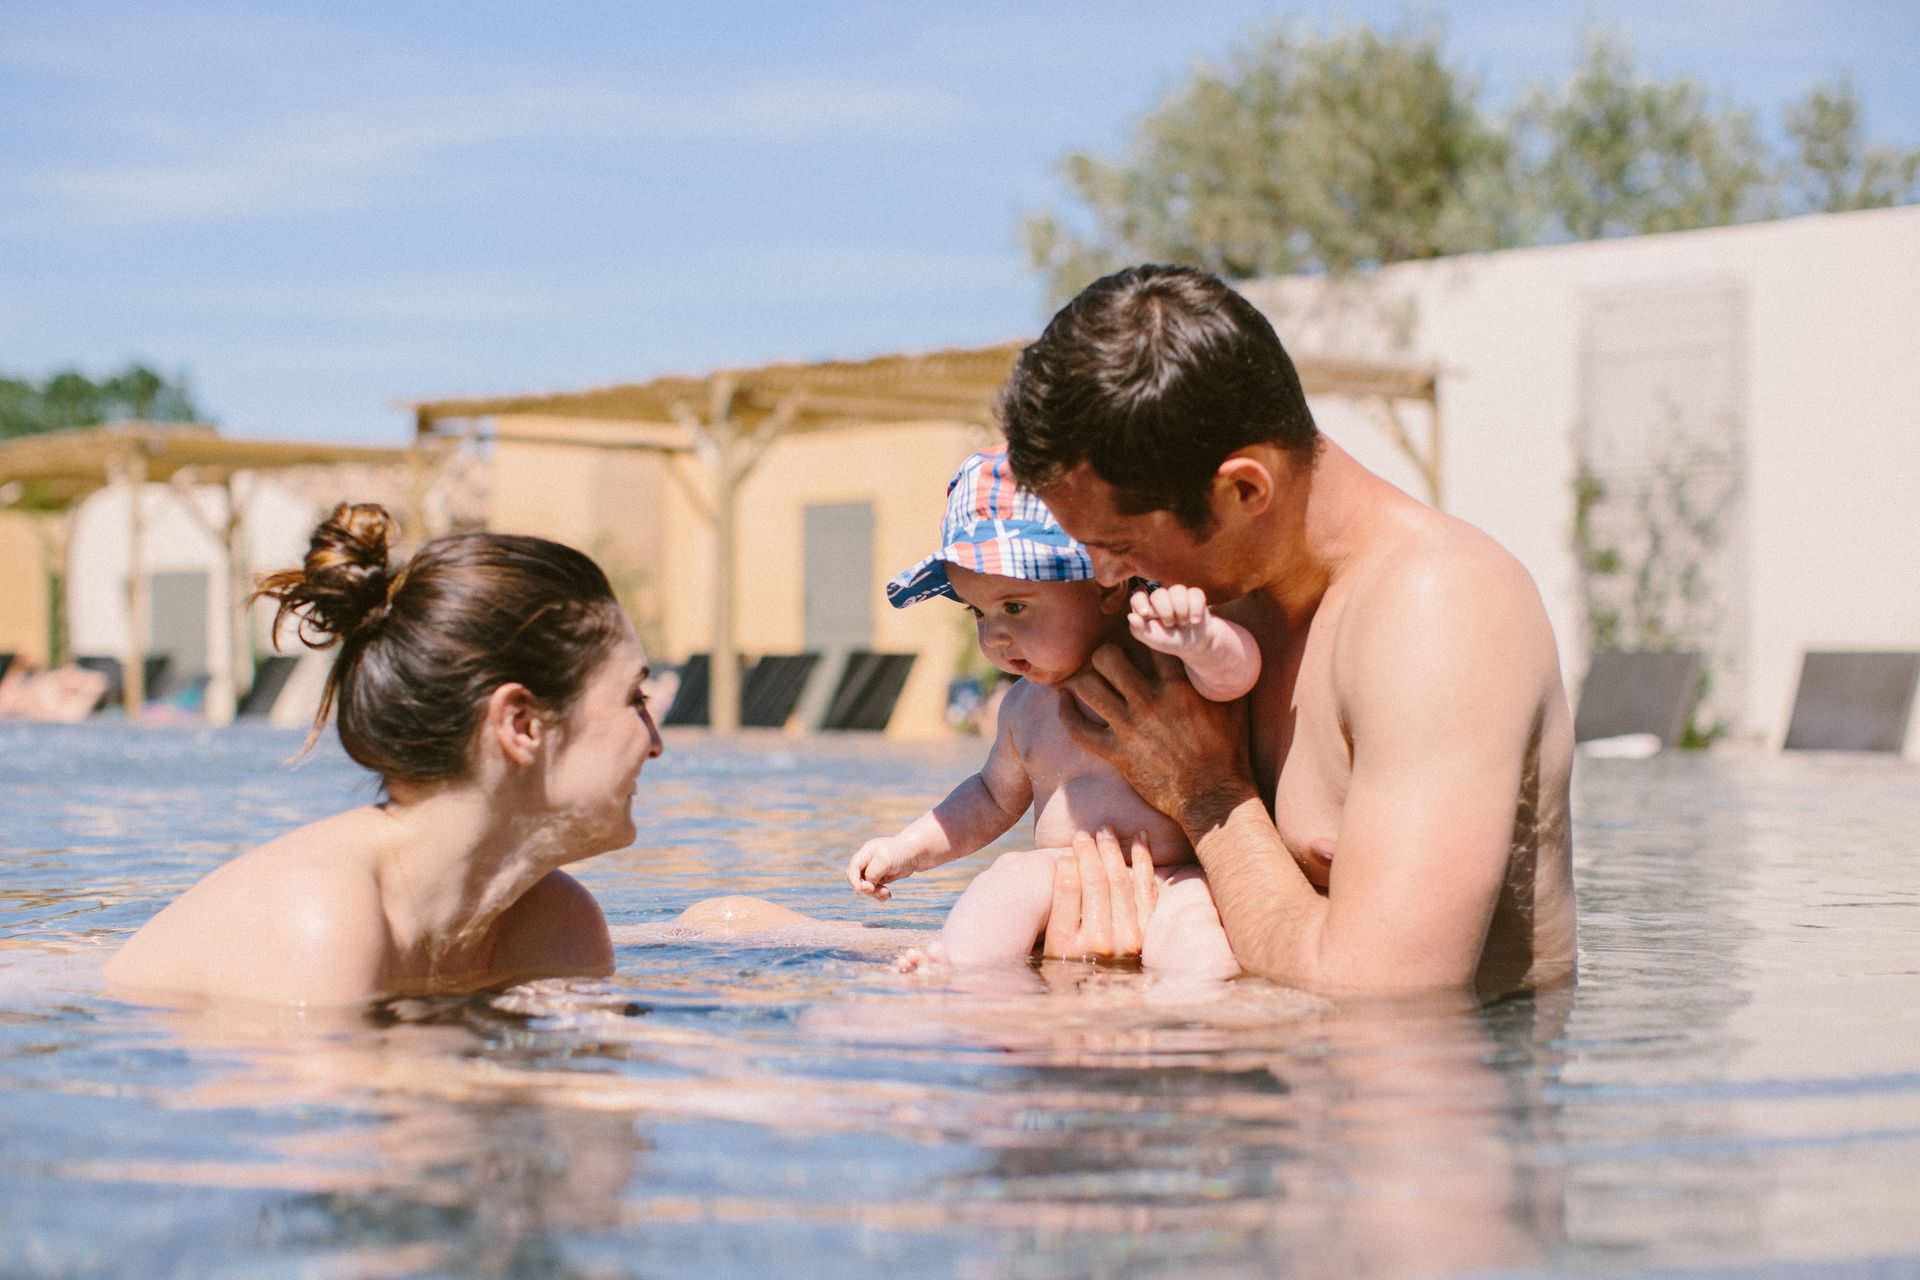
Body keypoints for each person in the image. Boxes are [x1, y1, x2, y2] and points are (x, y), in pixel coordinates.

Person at [1001, 264, 1577, 999]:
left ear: (1245, 489)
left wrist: (1205, 794)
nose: (1106, 578)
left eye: (1120, 543)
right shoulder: (1206, 616)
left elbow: (1389, 999)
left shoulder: (1438, 611)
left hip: (1418, 1089)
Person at [104, 503, 661, 1006]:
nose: (655, 742)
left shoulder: (555, 922)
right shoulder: (319, 918)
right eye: (634, 698)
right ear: (521, 724)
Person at [845, 446, 1256, 974]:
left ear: (1107, 586)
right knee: (1008, 878)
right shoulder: (1023, 706)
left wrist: (1202, 640)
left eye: (1015, 606)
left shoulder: (1168, 664)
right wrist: (907, 849)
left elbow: (1238, 677)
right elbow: (991, 797)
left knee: (1199, 929)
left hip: (1178, 875)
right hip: (1057, 875)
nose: (993, 634)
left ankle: (1203, 1001)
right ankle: (955, 966)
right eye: (979, 611)